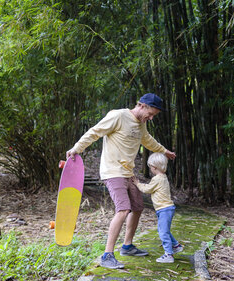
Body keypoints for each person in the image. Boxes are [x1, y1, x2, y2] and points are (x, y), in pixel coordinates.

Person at [66, 93, 176, 269]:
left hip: (127, 173)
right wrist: (76, 148)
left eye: (154, 115)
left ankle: (127, 246)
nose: (151, 117)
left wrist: (165, 152)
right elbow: (95, 132)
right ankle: (107, 255)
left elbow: (148, 141)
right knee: (124, 209)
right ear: (142, 105)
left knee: (138, 207)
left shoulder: (141, 125)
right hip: (112, 171)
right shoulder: (118, 116)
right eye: (151, 113)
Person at [132, 152, 183, 263]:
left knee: (163, 232)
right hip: (166, 209)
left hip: (164, 209)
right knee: (164, 230)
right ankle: (176, 245)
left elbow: (147, 189)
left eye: (150, 167)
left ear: (154, 167)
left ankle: (169, 255)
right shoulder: (163, 177)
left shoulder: (157, 179)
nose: (150, 169)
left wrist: (137, 183)